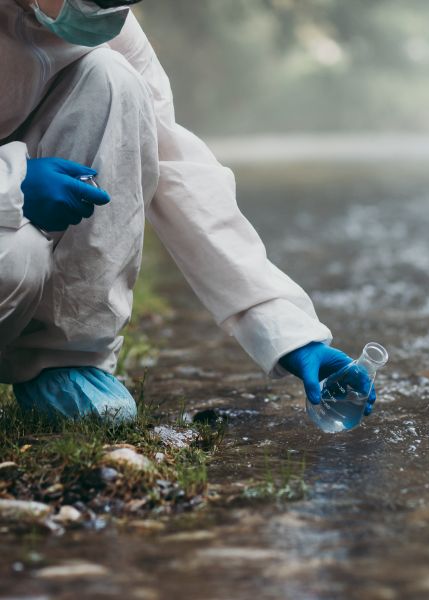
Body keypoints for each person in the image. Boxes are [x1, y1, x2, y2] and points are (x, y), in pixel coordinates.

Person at [0, 0, 377, 422]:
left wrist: (287, 332)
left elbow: (178, 168)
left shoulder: (114, 32)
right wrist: (13, 182)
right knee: (16, 260)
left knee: (117, 80)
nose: (104, 8)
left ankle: (64, 361)